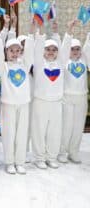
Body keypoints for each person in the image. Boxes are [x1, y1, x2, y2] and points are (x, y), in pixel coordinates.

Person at [29, 19, 71, 169]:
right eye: (48, 49)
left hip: (56, 102)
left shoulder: (60, 64)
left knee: (54, 130)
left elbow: (65, 49)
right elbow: (38, 46)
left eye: (54, 49)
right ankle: (39, 157)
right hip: (41, 101)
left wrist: (65, 32)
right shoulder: (39, 64)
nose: (51, 52)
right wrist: (39, 30)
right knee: (39, 130)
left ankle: (51, 156)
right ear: (43, 52)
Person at [0, 18, 32, 175]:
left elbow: (30, 51)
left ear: (21, 52)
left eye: (18, 51)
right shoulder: (3, 67)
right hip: (8, 104)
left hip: (23, 104)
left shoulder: (25, 65)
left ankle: (20, 162)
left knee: (22, 133)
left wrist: (31, 31)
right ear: (6, 52)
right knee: (9, 133)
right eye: (11, 51)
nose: (14, 54)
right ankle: (9, 162)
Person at [58, 20, 88, 164]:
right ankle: (62, 151)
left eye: (77, 49)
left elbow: (88, 46)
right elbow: (64, 46)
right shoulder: (64, 62)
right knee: (67, 126)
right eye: (72, 48)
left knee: (78, 126)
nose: (75, 51)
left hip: (81, 98)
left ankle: (73, 151)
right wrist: (69, 30)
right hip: (67, 98)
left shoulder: (84, 60)